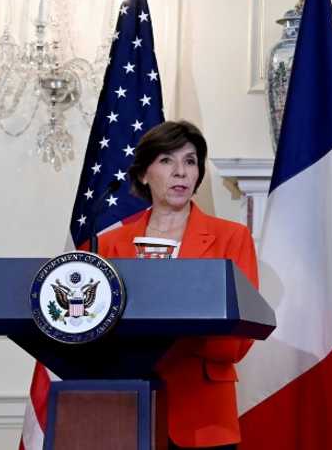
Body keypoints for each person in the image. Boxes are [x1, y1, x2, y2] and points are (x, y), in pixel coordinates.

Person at [98, 121, 258, 450]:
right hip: (127, 407)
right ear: (144, 174)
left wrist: (172, 335)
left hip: (204, 413)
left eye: (190, 161)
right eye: (167, 161)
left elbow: (240, 335)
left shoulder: (231, 238)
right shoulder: (111, 244)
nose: (181, 172)